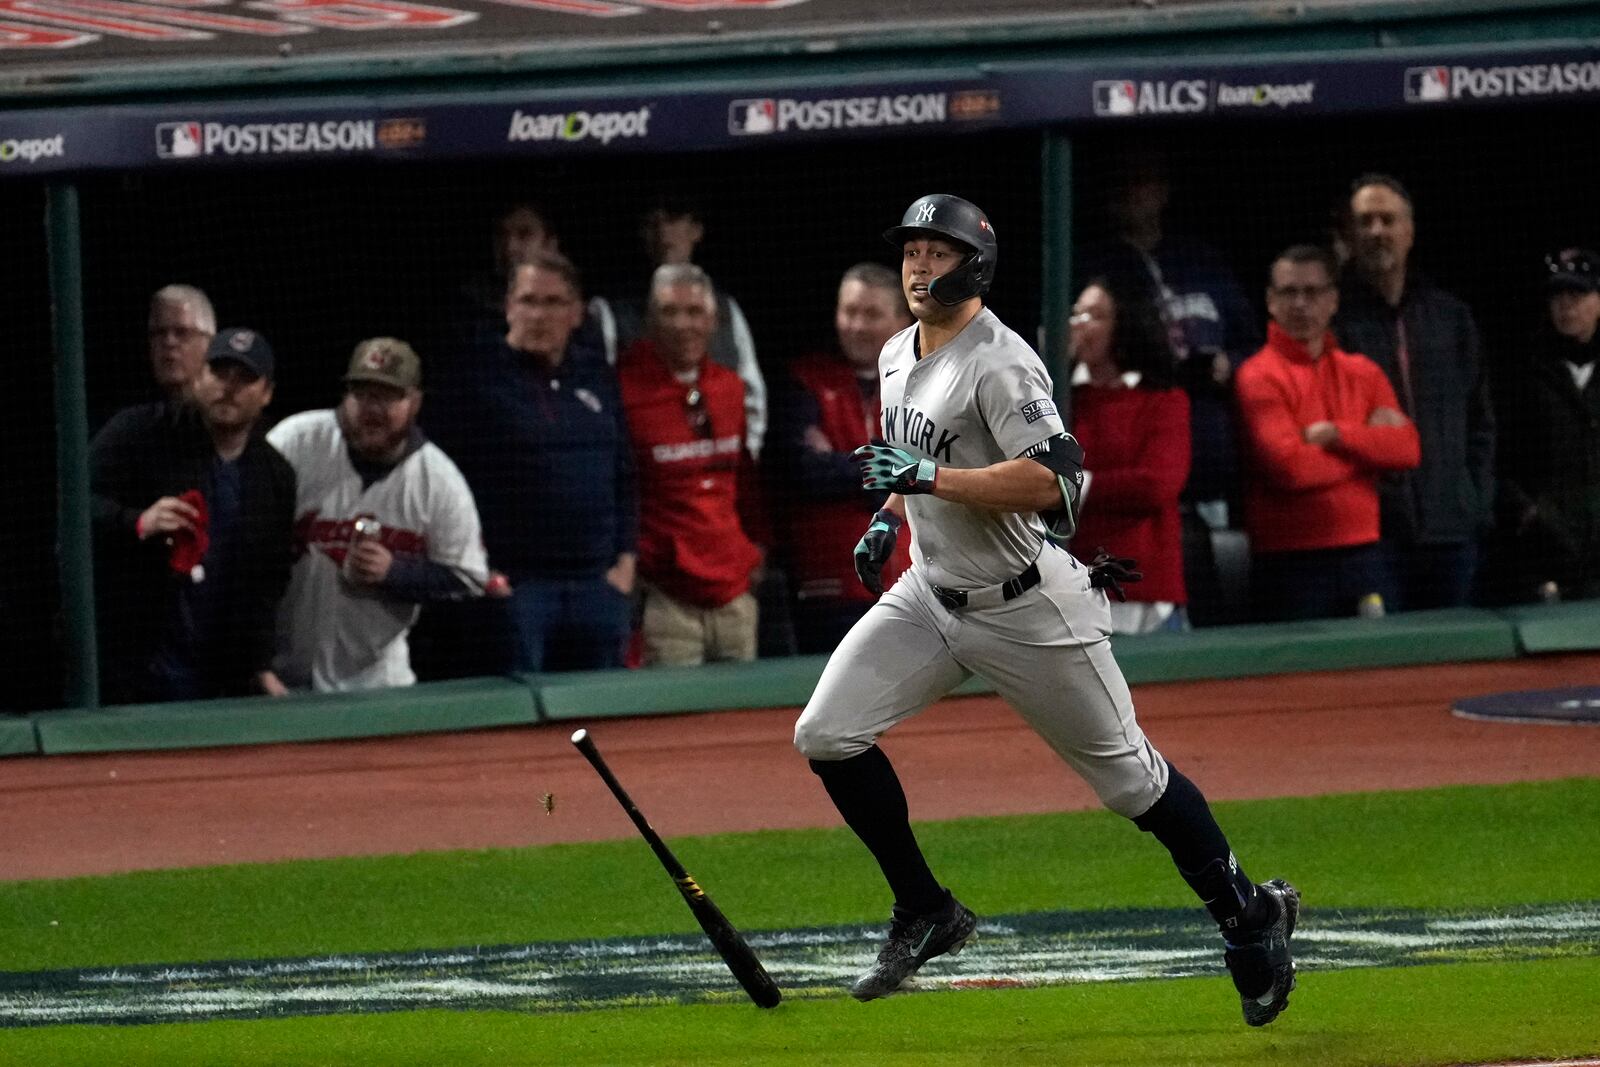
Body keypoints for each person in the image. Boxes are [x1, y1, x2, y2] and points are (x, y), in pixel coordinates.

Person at [794, 194, 1298, 1025]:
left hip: (1026, 604)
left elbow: (1054, 483)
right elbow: (909, 464)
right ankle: (925, 908)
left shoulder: (1003, 362)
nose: (920, 266)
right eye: (913, 251)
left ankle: (1250, 915)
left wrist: (923, 483)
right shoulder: (894, 352)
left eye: (938, 252)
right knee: (826, 733)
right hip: (931, 590)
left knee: (1132, 779)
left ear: (977, 264)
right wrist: (887, 519)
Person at [426, 252, 637, 674]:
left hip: (597, 585)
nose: (539, 315)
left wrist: (626, 560)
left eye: (553, 303)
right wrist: (480, 568)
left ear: (577, 313)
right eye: (528, 301)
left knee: (605, 720)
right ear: (508, 308)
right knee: (520, 731)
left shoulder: (595, 375)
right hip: (517, 589)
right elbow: (441, 481)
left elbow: (623, 472)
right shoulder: (472, 379)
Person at [1083, 146, 1260, 625]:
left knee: (1222, 605)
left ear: (1163, 191)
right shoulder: (1094, 268)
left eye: (1142, 182)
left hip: (1211, 458)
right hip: (1134, 457)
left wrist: (1228, 364)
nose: (1132, 195)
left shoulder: (1200, 260)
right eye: (1122, 184)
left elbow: (1253, 343)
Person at [267, 338, 493, 692]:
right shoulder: (296, 442)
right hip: (278, 676)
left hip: (376, 684)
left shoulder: (437, 479)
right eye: (362, 394)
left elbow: (469, 577)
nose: (373, 408)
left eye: (388, 396)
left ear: (415, 402)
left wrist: (396, 572)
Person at [89, 328, 295, 704]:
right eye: (219, 373)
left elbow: (268, 582)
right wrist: (136, 521)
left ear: (267, 393)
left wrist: (259, 665)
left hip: (219, 679)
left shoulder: (275, 475)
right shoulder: (140, 431)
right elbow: (73, 506)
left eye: (245, 378)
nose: (229, 387)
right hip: (132, 666)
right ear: (199, 377)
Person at [1335, 174, 1495, 611]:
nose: (1377, 232)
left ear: (1410, 230)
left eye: (1388, 220)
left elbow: (1480, 421)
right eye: (1365, 221)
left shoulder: (1450, 316)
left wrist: (1473, 501)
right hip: (1372, 537)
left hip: (1452, 532)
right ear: (1348, 235)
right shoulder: (1333, 322)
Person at [1236, 246, 1421, 621]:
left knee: (1384, 673)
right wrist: (1368, 455)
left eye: (1313, 292)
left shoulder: (1362, 371)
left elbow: (1407, 449)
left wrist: (1336, 435)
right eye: (1290, 292)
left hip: (1366, 552)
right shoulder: (1258, 375)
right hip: (1290, 562)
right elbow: (1289, 468)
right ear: (1271, 301)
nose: (1301, 304)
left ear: (1333, 300)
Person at [619, 263, 763, 666]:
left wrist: (756, 550)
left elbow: (745, 481)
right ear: (649, 320)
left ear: (714, 321)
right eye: (669, 312)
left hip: (735, 595)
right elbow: (619, 489)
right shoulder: (623, 390)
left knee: (745, 724)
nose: (683, 324)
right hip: (666, 598)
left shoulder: (730, 388)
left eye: (694, 312)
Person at [774, 263, 915, 652]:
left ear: (902, 319)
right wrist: (893, 467)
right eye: (849, 311)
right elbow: (805, 472)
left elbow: (941, 468)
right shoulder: (805, 380)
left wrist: (840, 464)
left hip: (912, 583)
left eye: (871, 314)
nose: (856, 325)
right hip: (831, 588)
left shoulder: (927, 382)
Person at [1066, 273, 1190, 633]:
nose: (1078, 325)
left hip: (1144, 586)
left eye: (1095, 316)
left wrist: (1076, 487)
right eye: (1077, 314)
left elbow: (1157, 483)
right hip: (1074, 584)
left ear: (1126, 326)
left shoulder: (1163, 400)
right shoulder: (1058, 401)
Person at [599, 201, 768, 456]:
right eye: (652, 222)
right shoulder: (612, 312)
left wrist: (740, 456)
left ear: (696, 229)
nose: (663, 232)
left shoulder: (725, 308)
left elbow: (752, 394)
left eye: (673, 218)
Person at [1492, 249, 1600, 603]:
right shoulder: (1525, 371)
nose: (1566, 306)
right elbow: (1501, 457)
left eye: (1577, 295)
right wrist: (1531, 514)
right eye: (1558, 296)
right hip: (1548, 552)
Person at [146, 284, 217, 406]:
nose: (169, 342)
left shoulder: (231, 418)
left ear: (209, 343)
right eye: (159, 333)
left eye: (181, 332)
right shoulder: (130, 423)